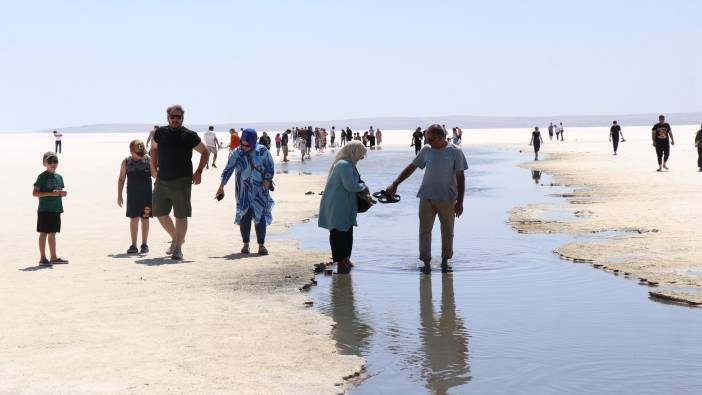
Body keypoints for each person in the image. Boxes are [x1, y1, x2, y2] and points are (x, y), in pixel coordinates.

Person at [386, 124, 468, 273]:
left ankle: (445, 262)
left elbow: (461, 178)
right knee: (424, 231)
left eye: (430, 139)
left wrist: (460, 201)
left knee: (447, 231)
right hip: (426, 197)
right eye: (426, 139)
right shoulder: (426, 150)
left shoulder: (455, 152)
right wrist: (395, 184)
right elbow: (412, 167)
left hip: (447, 199)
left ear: (441, 138)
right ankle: (426, 264)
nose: (427, 142)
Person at [149, 105, 209, 260]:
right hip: (162, 180)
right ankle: (177, 238)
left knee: (180, 215)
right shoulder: (160, 133)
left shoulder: (189, 135)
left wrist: (199, 171)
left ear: (183, 118)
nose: (175, 119)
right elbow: (153, 149)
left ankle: (177, 248)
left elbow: (205, 152)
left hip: (182, 181)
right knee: (160, 213)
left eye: (178, 117)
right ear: (168, 117)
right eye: (172, 117)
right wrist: (153, 168)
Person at [217, 128, 275, 256]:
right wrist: (221, 186)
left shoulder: (262, 151)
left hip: (260, 191)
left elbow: (270, 166)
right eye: (242, 144)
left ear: (253, 142)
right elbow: (228, 170)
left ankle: (261, 245)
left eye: (246, 145)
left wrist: (267, 179)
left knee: (260, 216)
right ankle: (246, 244)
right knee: (244, 216)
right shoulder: (236, 153)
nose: (243, 147)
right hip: (242, 191)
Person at [318, 141, 369, 274]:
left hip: (345, 205)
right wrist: (364, 188)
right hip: (337, 205)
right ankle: (340, 263)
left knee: (347, 232)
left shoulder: (349, 164)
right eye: (361, 155)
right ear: (354, 152)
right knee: (338, 234)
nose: (361, 158)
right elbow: (350, 186)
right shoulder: (343, 165)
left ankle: (345, 259)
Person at [33, 151, 68, 266]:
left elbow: (59, 192)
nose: (53, 163)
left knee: (53, 233)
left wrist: (62, 193)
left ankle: (53, 257)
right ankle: (42, 258)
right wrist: (51, 193)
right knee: (43, 233)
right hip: (44, 210)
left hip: (56, 209)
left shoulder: (59, 177)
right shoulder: (42, 177)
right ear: (44, 163)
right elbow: (35, 193)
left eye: (55, 161)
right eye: (50, 161)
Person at [117, 140, 152, 254]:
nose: (142, 156)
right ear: (131, 151)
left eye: (142, 153)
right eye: (138, 153)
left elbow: (155, 175)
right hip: (132, 196)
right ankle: (133, 245)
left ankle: (144, 244)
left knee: (145, 218)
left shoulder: (148, 160)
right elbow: (122, 178)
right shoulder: (126, 162)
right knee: (133, 219)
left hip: (147, 196)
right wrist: (119, 194)